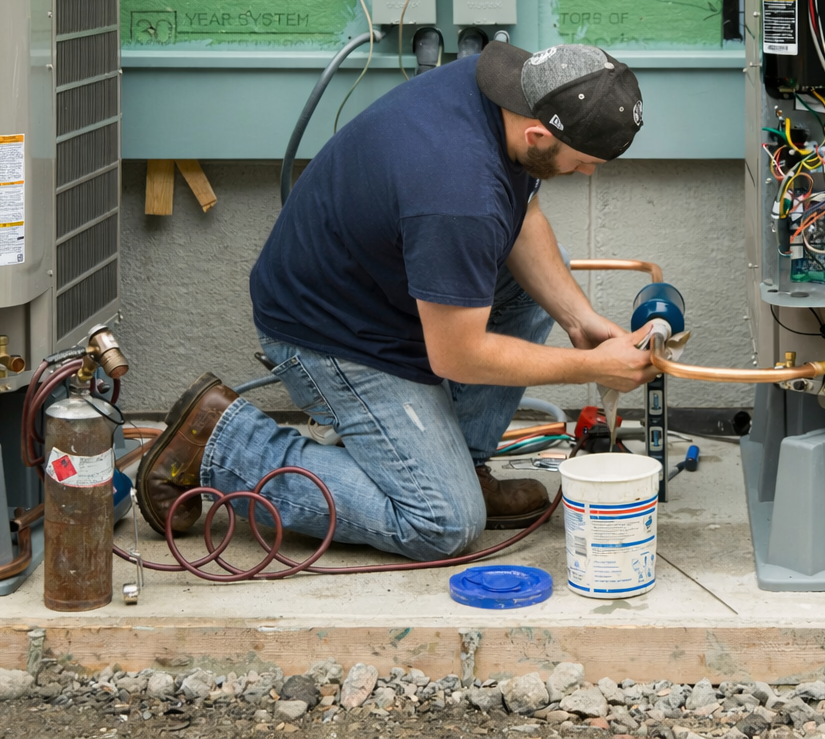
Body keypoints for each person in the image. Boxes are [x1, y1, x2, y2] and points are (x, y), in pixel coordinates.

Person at [135, 41, 656, 558]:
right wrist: (588, 366)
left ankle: (458, 462)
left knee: (547, 269)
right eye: (584, 161)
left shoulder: (512, 87)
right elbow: (460, 355)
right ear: (538, 134)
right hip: (333, 336)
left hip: (384, 291)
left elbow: (523, 217)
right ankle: (223, 444)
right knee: (444, 523)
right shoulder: (458, 192)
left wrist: (579, 318)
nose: (587, 172)